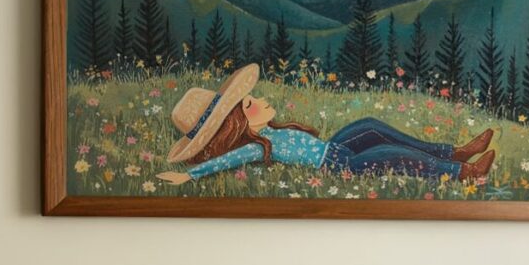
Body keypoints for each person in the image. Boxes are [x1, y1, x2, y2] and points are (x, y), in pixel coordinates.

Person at [158, 64, 496, 187]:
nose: (258, 101)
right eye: (249, 104)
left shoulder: (270, 132)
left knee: (370, 125)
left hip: (337, 146)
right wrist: (190, 175)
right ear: (236, 123)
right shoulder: (254, 147)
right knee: (388, 153)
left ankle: (456, 152)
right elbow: (227, 161)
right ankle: (462, 172)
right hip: (342, 164)